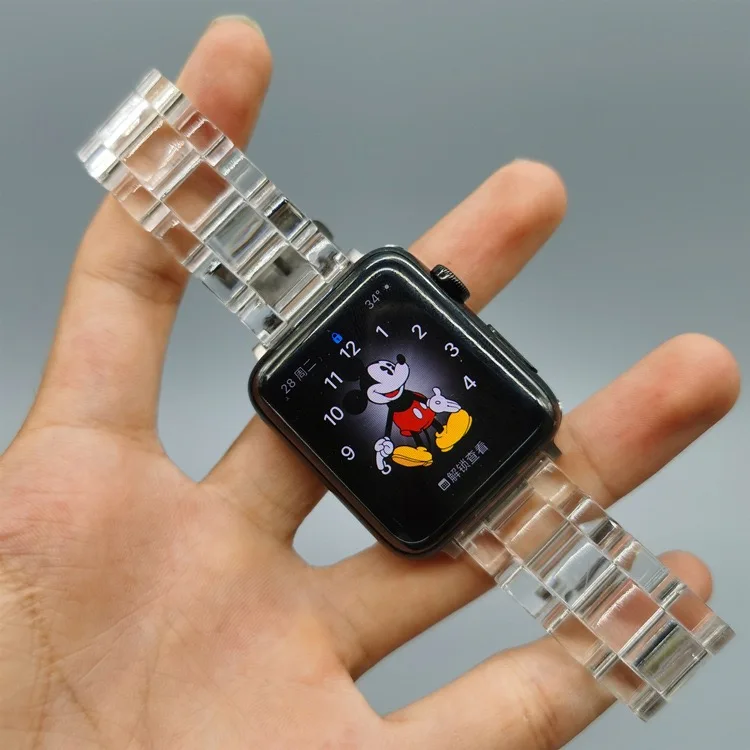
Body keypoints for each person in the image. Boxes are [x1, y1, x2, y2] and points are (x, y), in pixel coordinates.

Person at [0, 16, 739, 749]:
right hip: (469, 466)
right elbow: (384, 429)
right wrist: (389, 446)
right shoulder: (349, 366)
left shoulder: (378, 345)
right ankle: (657, 647)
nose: (381, 379)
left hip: (483, 457)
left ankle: (659, 646)